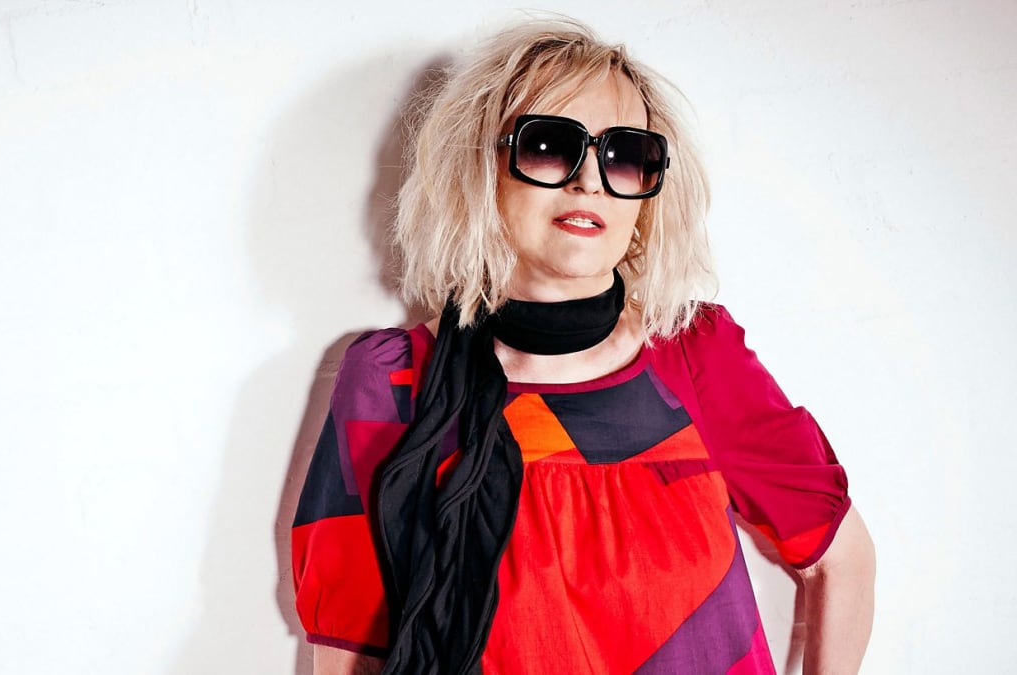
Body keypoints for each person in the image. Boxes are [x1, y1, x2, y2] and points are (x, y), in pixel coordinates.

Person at [291, 18, 875, 675]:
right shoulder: (394, 381)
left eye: (625, 155)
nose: (590, 180)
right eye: (550, 145)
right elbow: (348, 649)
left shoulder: (693, 354)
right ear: (481, 168)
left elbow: (841, 557)